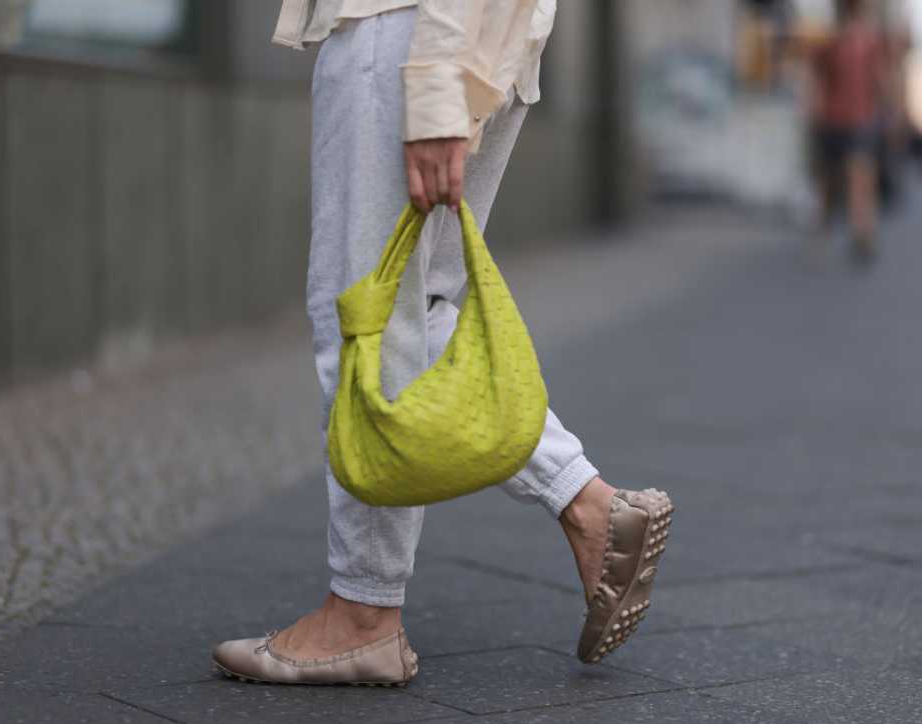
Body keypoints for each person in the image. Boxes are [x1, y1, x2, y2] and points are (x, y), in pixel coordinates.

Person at [211, 0, 674, 686]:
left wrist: (432, 85)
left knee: (366, 323)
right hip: (472, 39)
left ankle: (363, 617)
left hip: (407, 32)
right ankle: (590, 505)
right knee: (411, 311)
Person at [810, 0, 886, 262]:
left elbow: (879, 81)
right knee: (830, 184)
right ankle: (826, 230)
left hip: (860, 121)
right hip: (833, 121)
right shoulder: (830, 40)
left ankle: (861, 233)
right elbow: (819, 79)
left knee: (860, 177)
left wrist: (885, 112)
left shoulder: (870, 41)